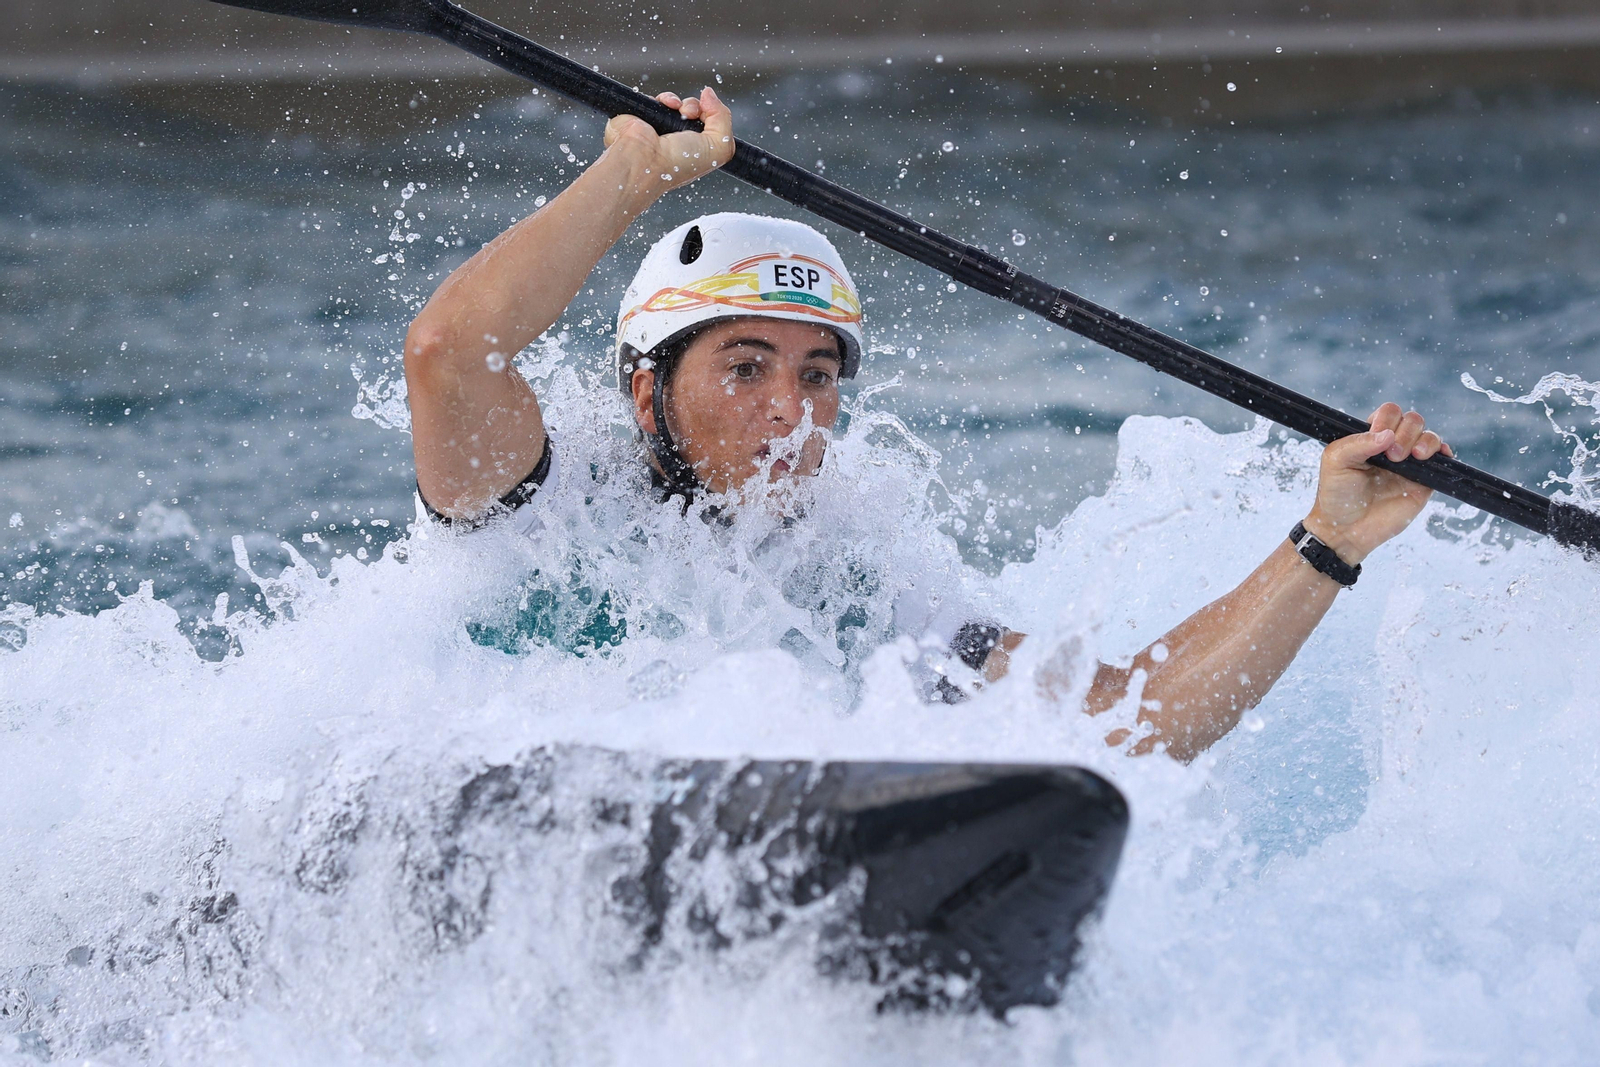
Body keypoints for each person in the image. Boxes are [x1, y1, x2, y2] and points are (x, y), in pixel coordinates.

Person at [403, 87, 1452, 762]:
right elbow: (449, 352)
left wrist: (1329, 539)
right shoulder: (542, 500)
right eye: (744, 365)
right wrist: (629, 176)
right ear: (645, 392)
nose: (790, 410)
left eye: (819, 375)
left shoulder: (860, 579)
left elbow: (1129, 717)